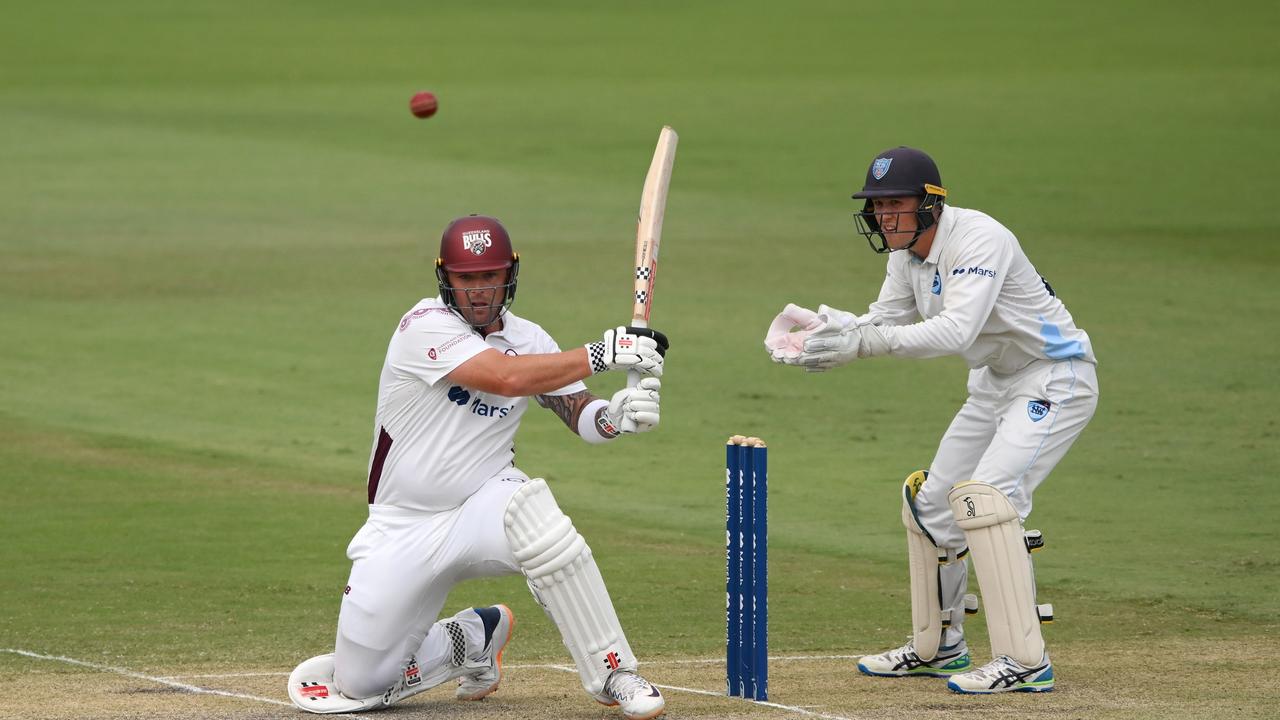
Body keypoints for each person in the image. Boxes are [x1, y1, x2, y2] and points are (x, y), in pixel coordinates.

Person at [287, 214, 668, 720]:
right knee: (360, 685)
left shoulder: (531, 339)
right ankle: (473, 637)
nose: (480, 290)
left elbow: (577, 413)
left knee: (537, 518)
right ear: (445, 277)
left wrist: (615, 417)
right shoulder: (420, 327)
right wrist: (603, 353)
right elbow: (505, 379)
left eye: (490, 276)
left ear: (510, 274)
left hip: (484, 504)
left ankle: (616, 672)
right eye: (468, 279)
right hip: (403, 524)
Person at [764, 147, 1098, 694]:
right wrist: (828, 334)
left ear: (931, 204)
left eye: (895, 204)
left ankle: (1024, 660)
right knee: (933, 507)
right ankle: (940, 646)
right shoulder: (904, 255)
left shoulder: (979, 239)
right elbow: (884, 321)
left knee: (988, 498)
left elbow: (955, 331)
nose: (884, 217)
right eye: (877, 206)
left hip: (1054, 377)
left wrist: (866, 343)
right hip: (993, 385)